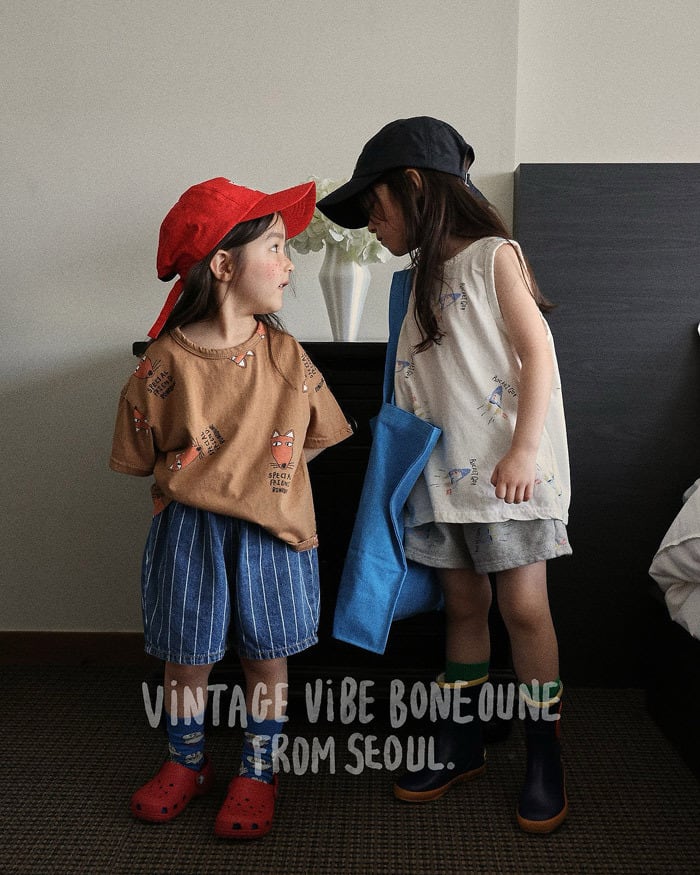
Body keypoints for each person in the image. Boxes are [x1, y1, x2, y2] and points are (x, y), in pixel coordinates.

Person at [318, 117, 571, 833]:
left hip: (506, 475)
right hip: (442, 477)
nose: (371, 226)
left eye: (376, 208)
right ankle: (462, 740)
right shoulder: (413, 283)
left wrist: (524, 450)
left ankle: (545, 752)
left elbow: (538, 354)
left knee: (524, 609)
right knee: (462, 607)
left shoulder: (495, 257)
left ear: (416, 186)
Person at [110, 177, 353, 839]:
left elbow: (318, 436)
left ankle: (259, 768)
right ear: (223, 265)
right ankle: (185, 761)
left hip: (271, 537)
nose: (289, 263)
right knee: (185, 656)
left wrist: (266, 483)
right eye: (274, 247)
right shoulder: (162, 363)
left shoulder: (286, 355)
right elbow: (139, 452)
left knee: (265, 657)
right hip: (189, 534)